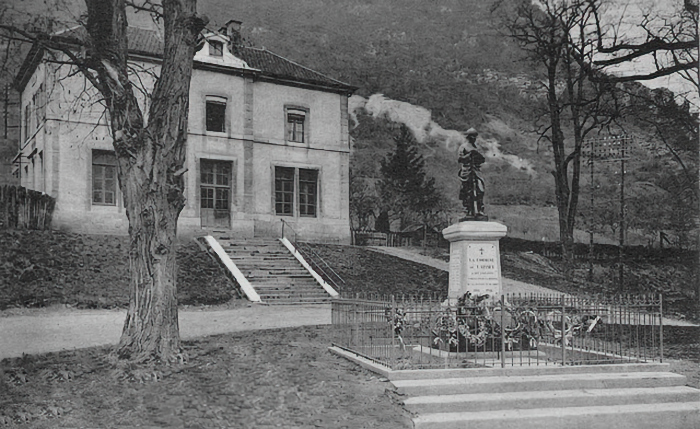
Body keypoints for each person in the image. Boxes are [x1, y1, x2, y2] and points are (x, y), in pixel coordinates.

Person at [458, 128, 487, 220]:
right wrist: (470, 154)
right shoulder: (463, 147)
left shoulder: (477, 147)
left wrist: (477, 155)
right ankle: (468, 210)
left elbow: (483, 159)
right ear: (468, 137)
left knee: (480, 190)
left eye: (475, 137)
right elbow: (460, 159)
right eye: (472, 137)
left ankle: (479, 210)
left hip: (476, 171)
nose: (474, 138)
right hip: (467, 170)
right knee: (467, 191)